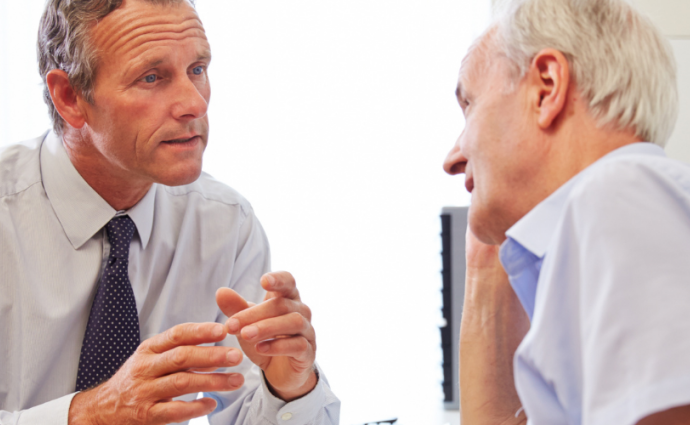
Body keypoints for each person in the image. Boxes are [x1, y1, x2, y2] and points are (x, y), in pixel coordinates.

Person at [0, 0, 340, 424]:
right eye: (152, 77)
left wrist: (289, 389)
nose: (193, 103)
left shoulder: (223, 224)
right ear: (69, 97)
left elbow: (241, 411)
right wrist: (87, 415)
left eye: (197, 69)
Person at [442, 0, 690, 424]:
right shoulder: (610, 216)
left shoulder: (619, 195)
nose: (452, 157)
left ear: (546, 86)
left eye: (470, 106)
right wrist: (489, 253)